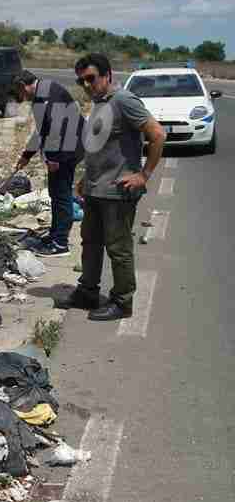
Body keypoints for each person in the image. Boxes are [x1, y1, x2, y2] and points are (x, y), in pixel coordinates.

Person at [69, 52, 165, 321]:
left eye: (91, 78)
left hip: (117, 193)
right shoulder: (99, 103)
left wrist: (143, 175)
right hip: (95, 190)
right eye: (81, 81)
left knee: (118, 249)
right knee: (90, 243)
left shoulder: (123, 100)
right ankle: (87, 291)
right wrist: (84, 179)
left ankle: (122, 302)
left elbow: (157, 135)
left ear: (107, 75)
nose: (87, 85)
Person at [14, 70, 85, 257]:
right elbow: (41, 131)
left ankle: (60, 244)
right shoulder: (40, 95)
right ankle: (55, 234)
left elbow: (57, 128)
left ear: (23, 86)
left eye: (19, 93)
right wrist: (26, 156)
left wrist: (54, 157)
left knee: (61, 196)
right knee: (56, 193)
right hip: (62, 149)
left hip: (67, 150)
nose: (21, 98)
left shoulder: (48, 94)